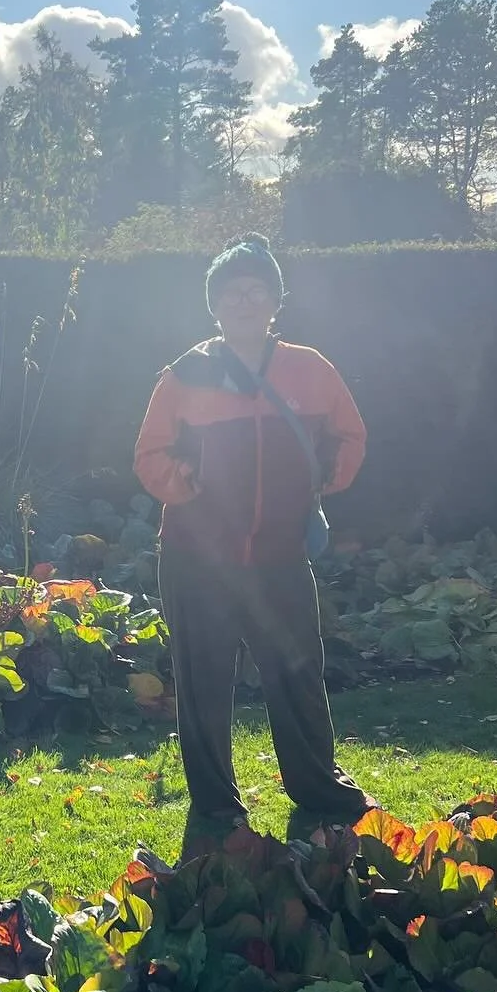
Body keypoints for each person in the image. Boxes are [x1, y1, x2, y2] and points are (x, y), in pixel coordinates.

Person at [133, 233, 372, 832]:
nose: (244, 302)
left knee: (297, 673)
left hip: (279, 555)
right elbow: (149, 454)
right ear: (215, 304)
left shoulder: (310, 369)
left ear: (275, 300)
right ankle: (215, 802)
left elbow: (350, 435)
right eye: (232, 293)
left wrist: (322, 481)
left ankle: (317, 784)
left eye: (256, 290)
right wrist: (188, 485)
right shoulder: (186, 373)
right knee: (204, 682)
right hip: (198, 558)